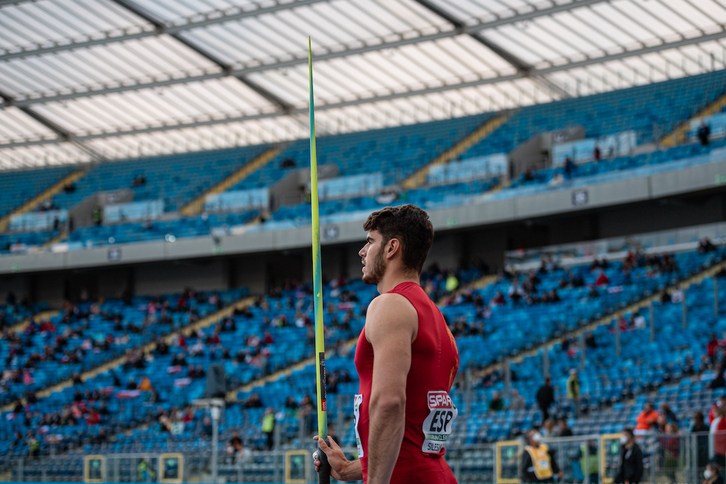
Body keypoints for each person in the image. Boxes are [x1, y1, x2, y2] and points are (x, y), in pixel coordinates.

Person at [313, 205, 459, 484]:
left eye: (370, 242)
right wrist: (347, 470)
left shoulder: (390, 304)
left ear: (392, 248)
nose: (362, 251)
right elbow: (412, 443)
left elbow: (390, 403)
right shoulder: (436, 318)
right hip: (432, 472)